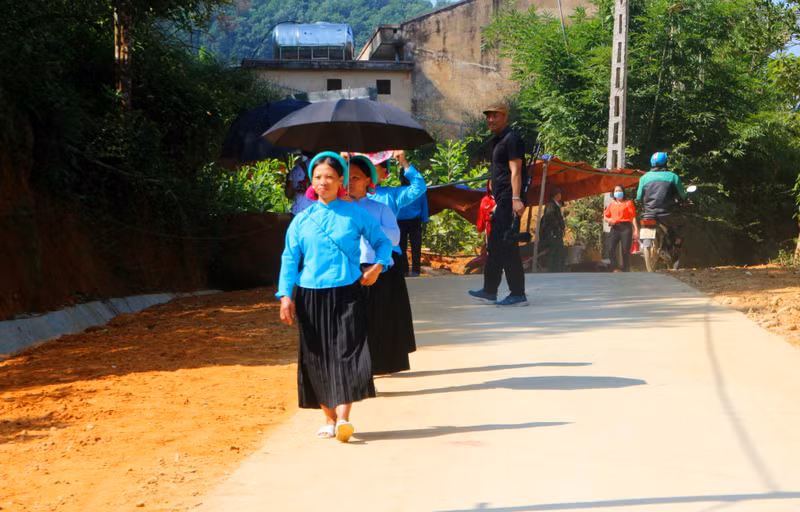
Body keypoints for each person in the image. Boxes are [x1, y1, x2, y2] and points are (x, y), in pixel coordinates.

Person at [276, 152, 392, 442]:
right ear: (311, 183)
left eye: (329, 176)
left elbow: (382, 242)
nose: (323, 182)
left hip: (348, 293)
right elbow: (289, 259)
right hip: (310, 295)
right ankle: (327, 419)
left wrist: (379, 266)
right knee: (317, 356)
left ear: (341, 180)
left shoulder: (356, 213)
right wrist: (285, 296)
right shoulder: (302, 221)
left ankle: (343, 418)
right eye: (318, 177)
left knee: (348, 353)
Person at [348, 156, 413, 375]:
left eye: (356, 177)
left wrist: (368, 224)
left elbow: (394, 238)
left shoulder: (380, 208)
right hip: (348, 271)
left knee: (378, 321)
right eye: (346, 177)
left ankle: (377, 365)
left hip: (379, 270)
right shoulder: (336, 209)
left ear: (368, 180)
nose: (350, 182)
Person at [469, 102, 528, 306]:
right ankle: (489, 290)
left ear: (505, 117)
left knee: (507, 245)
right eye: (488, 116)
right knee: (495, 244)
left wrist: (516, 199)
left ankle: (518, 294)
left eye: (495, 116)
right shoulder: (498, 140)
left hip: (510, 199)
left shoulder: (512, 139)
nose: (491, 120)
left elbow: (516, 171)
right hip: (501, 199)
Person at [636, 152, 688, 250]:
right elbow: (682, 195)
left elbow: (638, 197)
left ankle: (645, 244)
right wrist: (685, 200)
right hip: (667, 213)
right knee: (682, 221)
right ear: (665, 162)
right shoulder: (673, 177)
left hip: (649, 213)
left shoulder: (643, 178)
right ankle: (676, 243)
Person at [396, 171, 429, 277]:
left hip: (409, 222)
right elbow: (424, 206)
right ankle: (409, 270)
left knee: (409, 246)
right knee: (407, 246)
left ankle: (411, 270)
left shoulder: (416, 190)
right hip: (406, 222)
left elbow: (424, 206)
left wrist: (425, 220)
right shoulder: (398, 191)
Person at [604, 184, 639, 272]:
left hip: (626, 228)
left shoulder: (628, 203)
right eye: (616, 191)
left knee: (625, 250)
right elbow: (605, 216)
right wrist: (609, 220)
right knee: (610, 248)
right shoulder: (611, 205)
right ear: (613, 193)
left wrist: (636, 229)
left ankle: (626, 268)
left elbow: (633, 217)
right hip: (615, 228)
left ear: (623, 192)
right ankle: (615, 267)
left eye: (620, 191)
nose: (618, 193)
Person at [540, 188, 566, 273]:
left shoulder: (555, 205)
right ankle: (552, 269)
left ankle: (557, 268)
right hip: (553, 231)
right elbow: (550, 215)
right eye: (559, 194)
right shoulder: (551, 205)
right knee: (554, 249)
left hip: (556, 231)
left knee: (558, 249)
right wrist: (557, 226)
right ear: (556, 195)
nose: (560, 196)